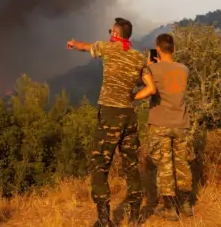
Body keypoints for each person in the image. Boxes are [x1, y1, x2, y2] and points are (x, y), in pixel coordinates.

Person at [67, 17, 156, 227]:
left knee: (100, 166)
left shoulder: (108, 48)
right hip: (129, 116)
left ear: (116, 34)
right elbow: (151, 88)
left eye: (111, 31)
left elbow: (84, 47)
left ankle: (104, 220)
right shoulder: (138, 57)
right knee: (131, 165)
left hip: (110, 115)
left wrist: (73, 42)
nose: (110, 33)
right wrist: (132, 97)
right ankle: (135, 217)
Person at [145, 33, 194, 220]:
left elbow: (145, 85)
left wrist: (149, 66)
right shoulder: (185, 69)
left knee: (164, 167)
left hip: (160, 124)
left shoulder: (153, 69)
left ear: (157, 49)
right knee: (183, 165)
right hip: (181, 124)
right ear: (173, 49)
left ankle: (170, 209)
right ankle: (187, 205)